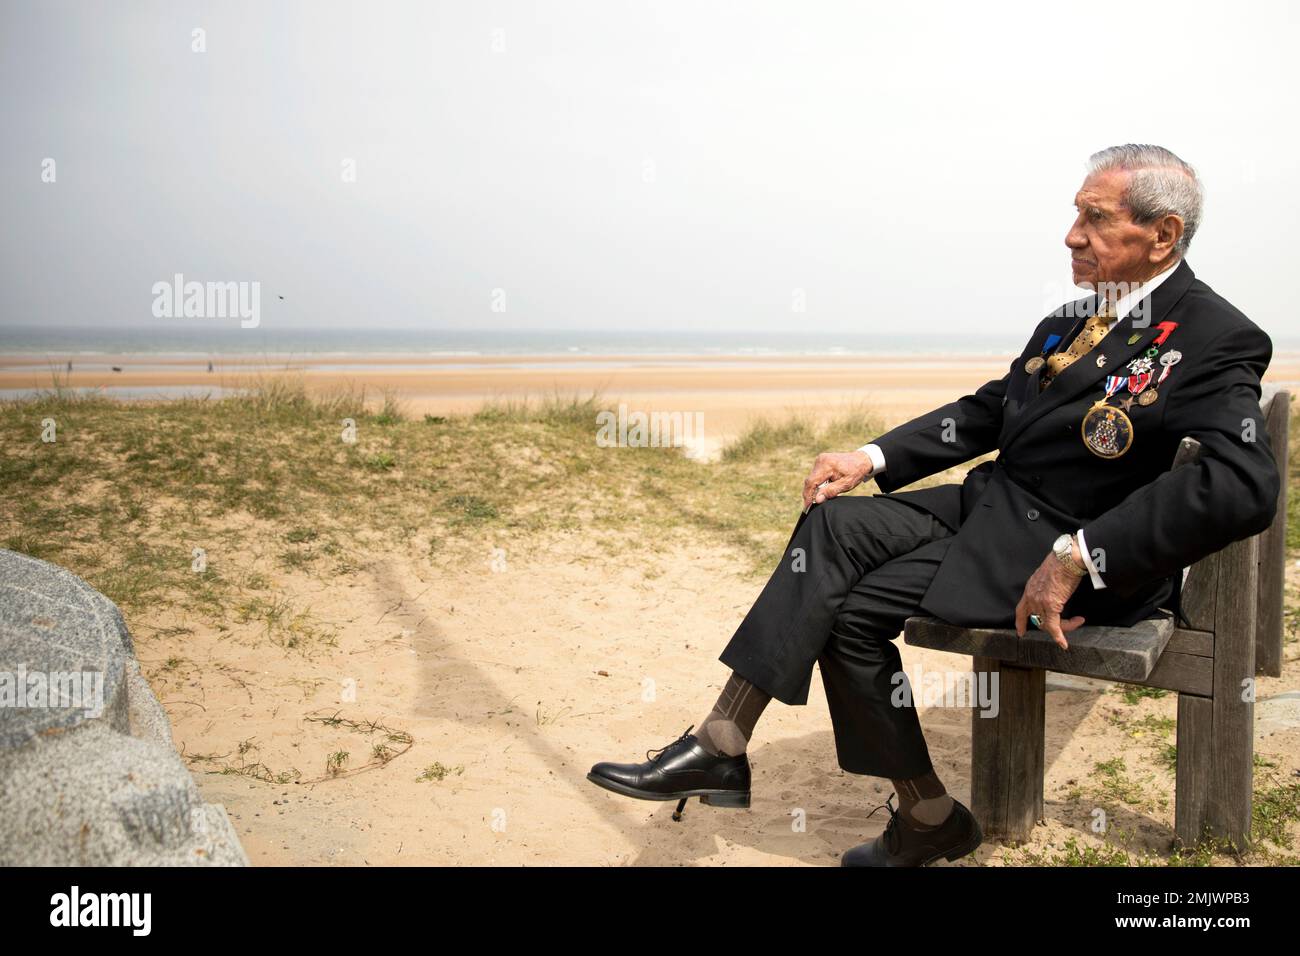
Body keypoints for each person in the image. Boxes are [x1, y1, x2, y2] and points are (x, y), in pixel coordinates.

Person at [587, 144, 1280, 866]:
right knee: (831, 524)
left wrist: (1082, 554)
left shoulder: (1213, 336)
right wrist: (871, 457)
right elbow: (988, 412)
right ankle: (722, 743)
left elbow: (1240, 484)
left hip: (1068, 564)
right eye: (1076, 214)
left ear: (1162, 234)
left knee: (850, 618)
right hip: (993, 514)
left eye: (1095, 218)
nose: (1072, 234)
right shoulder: (1072, 317)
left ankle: (921, 814)